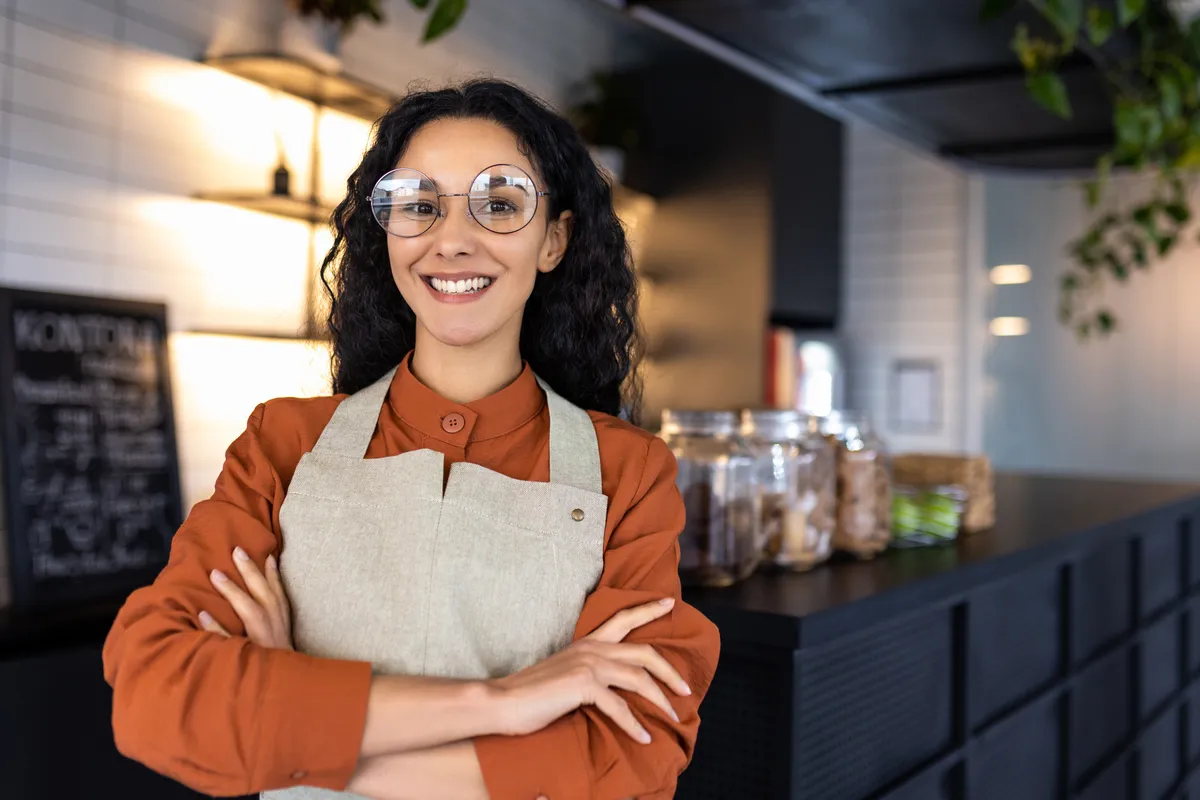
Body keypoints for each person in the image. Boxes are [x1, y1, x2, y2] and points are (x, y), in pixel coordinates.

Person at [102, 79, 720, 800]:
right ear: (387, 231)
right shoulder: (283, 443)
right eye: (419, 204)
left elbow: (631, 750)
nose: (452, 240)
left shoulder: (628, 473)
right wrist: (507, 704)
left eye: (499, 203)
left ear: (554, 238)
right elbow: (156, 692)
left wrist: (293, 728)